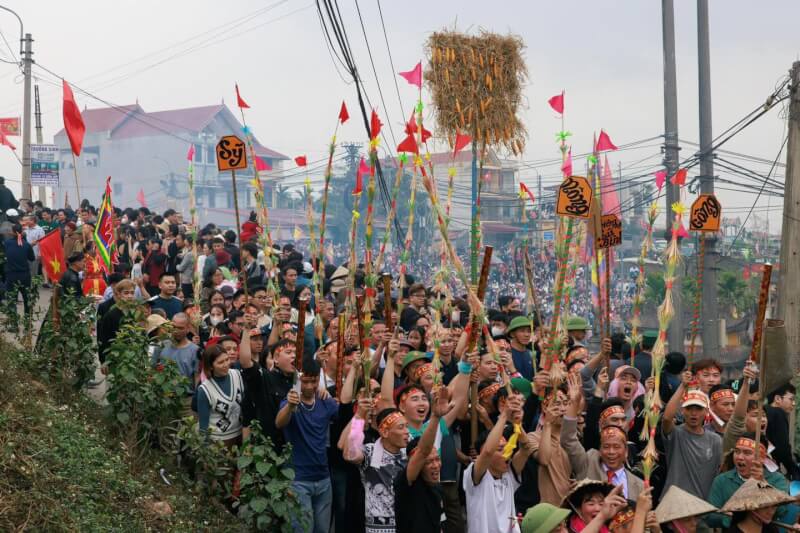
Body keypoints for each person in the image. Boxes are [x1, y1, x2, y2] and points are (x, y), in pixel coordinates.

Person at [276, 360, 338, 533]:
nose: (310, 386)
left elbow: (343, 414)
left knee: (323, 530)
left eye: (314, 381)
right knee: (302, 529)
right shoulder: (290, 401)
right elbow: (279, 423)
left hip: (324, 478)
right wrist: (290, 406)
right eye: (305, 382)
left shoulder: (325, 401)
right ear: (298, 380)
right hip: (298, 480)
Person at [464, 392, 534, 533]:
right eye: (501, 449)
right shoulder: (476, 475)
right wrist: (504, 416)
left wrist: (517, 425)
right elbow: (488, 451)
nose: (507, 452)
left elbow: (527, 448)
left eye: (507, 448)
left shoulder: (509, 475)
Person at [393, 387, 452, 533]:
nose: (435, 465)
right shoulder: (405, 481)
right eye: (428, 462)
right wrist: (435, 417)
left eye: (437, 460)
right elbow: (423, 451)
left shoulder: (437, 487)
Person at [661, 370, 722, 499]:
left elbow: (721, 471)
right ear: (682, 411)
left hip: (703, 505)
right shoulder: (676, 434)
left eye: (698, 409)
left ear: (706, 411)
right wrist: (683, 386)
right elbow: (667, 418)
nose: (694, 413)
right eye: (689, 408)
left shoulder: (715, 440)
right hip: (675, 503)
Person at [196, 344, 244, 445]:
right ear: (210, 366)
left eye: (227, 360)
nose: (226, 364)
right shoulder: (205, 390)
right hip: (219, 443)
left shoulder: (237, 375)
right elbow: (203, 426)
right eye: (220, 362)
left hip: (241, 436)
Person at [719, 478, 796, 533]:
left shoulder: (771, 529)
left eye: (774, 506)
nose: (771, 512)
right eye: (765, 507)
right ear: (751, 507)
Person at [151, 312, 199, 388]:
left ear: (188, 328)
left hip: (186, 396)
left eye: (180, 328)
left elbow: (197, 376)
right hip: (164, 396)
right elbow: (151, 370)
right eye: (174, 327)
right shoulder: (161, 346)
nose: (176, 331)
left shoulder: (195, 350)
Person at [766, 383, 799, 480]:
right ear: (777, 399)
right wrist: (794, 471)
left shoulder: (764, 412)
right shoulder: (778, 413)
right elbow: (783, 447)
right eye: (791, 399)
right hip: (771, 467)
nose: (793, 403)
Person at [3, 223, 35, 320]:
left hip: (11, 275)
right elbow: (32, 258)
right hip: (25, 275)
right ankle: (27, 323)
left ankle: (13, 324)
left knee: (12, 299)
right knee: (27, 299)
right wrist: (30, 245)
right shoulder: (26, 245)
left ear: (12, 232)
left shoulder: (7, 243)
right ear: (22, 232)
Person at [507, 316, 535, 380]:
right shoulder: (507, 354)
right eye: (522, 331)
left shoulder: (531, 354)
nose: (527, 334)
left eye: (529, 331)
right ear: (512, 334)